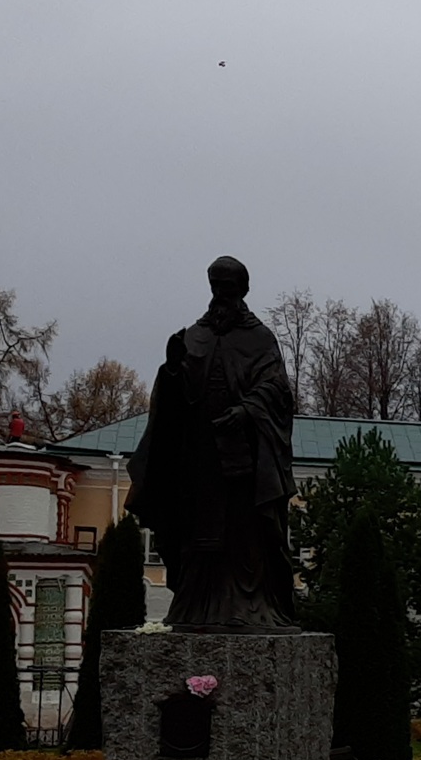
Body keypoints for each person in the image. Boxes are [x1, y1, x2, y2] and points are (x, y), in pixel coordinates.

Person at [125, 255, 298, 632]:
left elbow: (277, 388)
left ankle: (248, 607)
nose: (221, 295)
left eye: (228, 288)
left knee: (244, 533)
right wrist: (172, 370)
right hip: (200, 457)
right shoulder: (195, 336)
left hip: (242, 455)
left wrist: (247, 410)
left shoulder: (260, 338)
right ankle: (193, 607)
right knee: (197, 534)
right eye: (216, 287)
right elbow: (176, 400)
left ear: (243, 290)